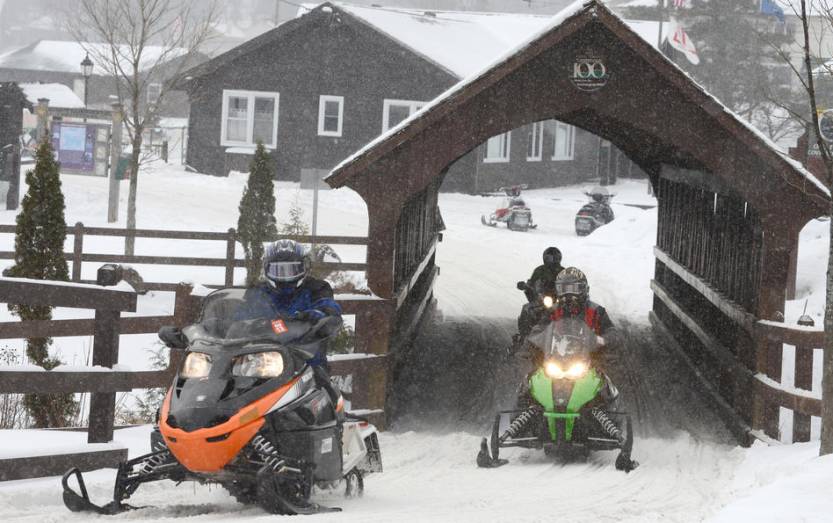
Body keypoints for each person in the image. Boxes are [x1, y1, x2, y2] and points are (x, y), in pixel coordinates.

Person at [516, 246, 564, 340]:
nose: (553, 260)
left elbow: (570, 282)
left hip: (559, 300)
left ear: (559, 258)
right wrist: (526, 286)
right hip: (542, 299)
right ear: (545, 258)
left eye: (555, 258)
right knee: (527, 308)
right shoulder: (539, 270)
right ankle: (524, 336)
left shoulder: (563, 271)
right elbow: (532, 282)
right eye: (550, 258)